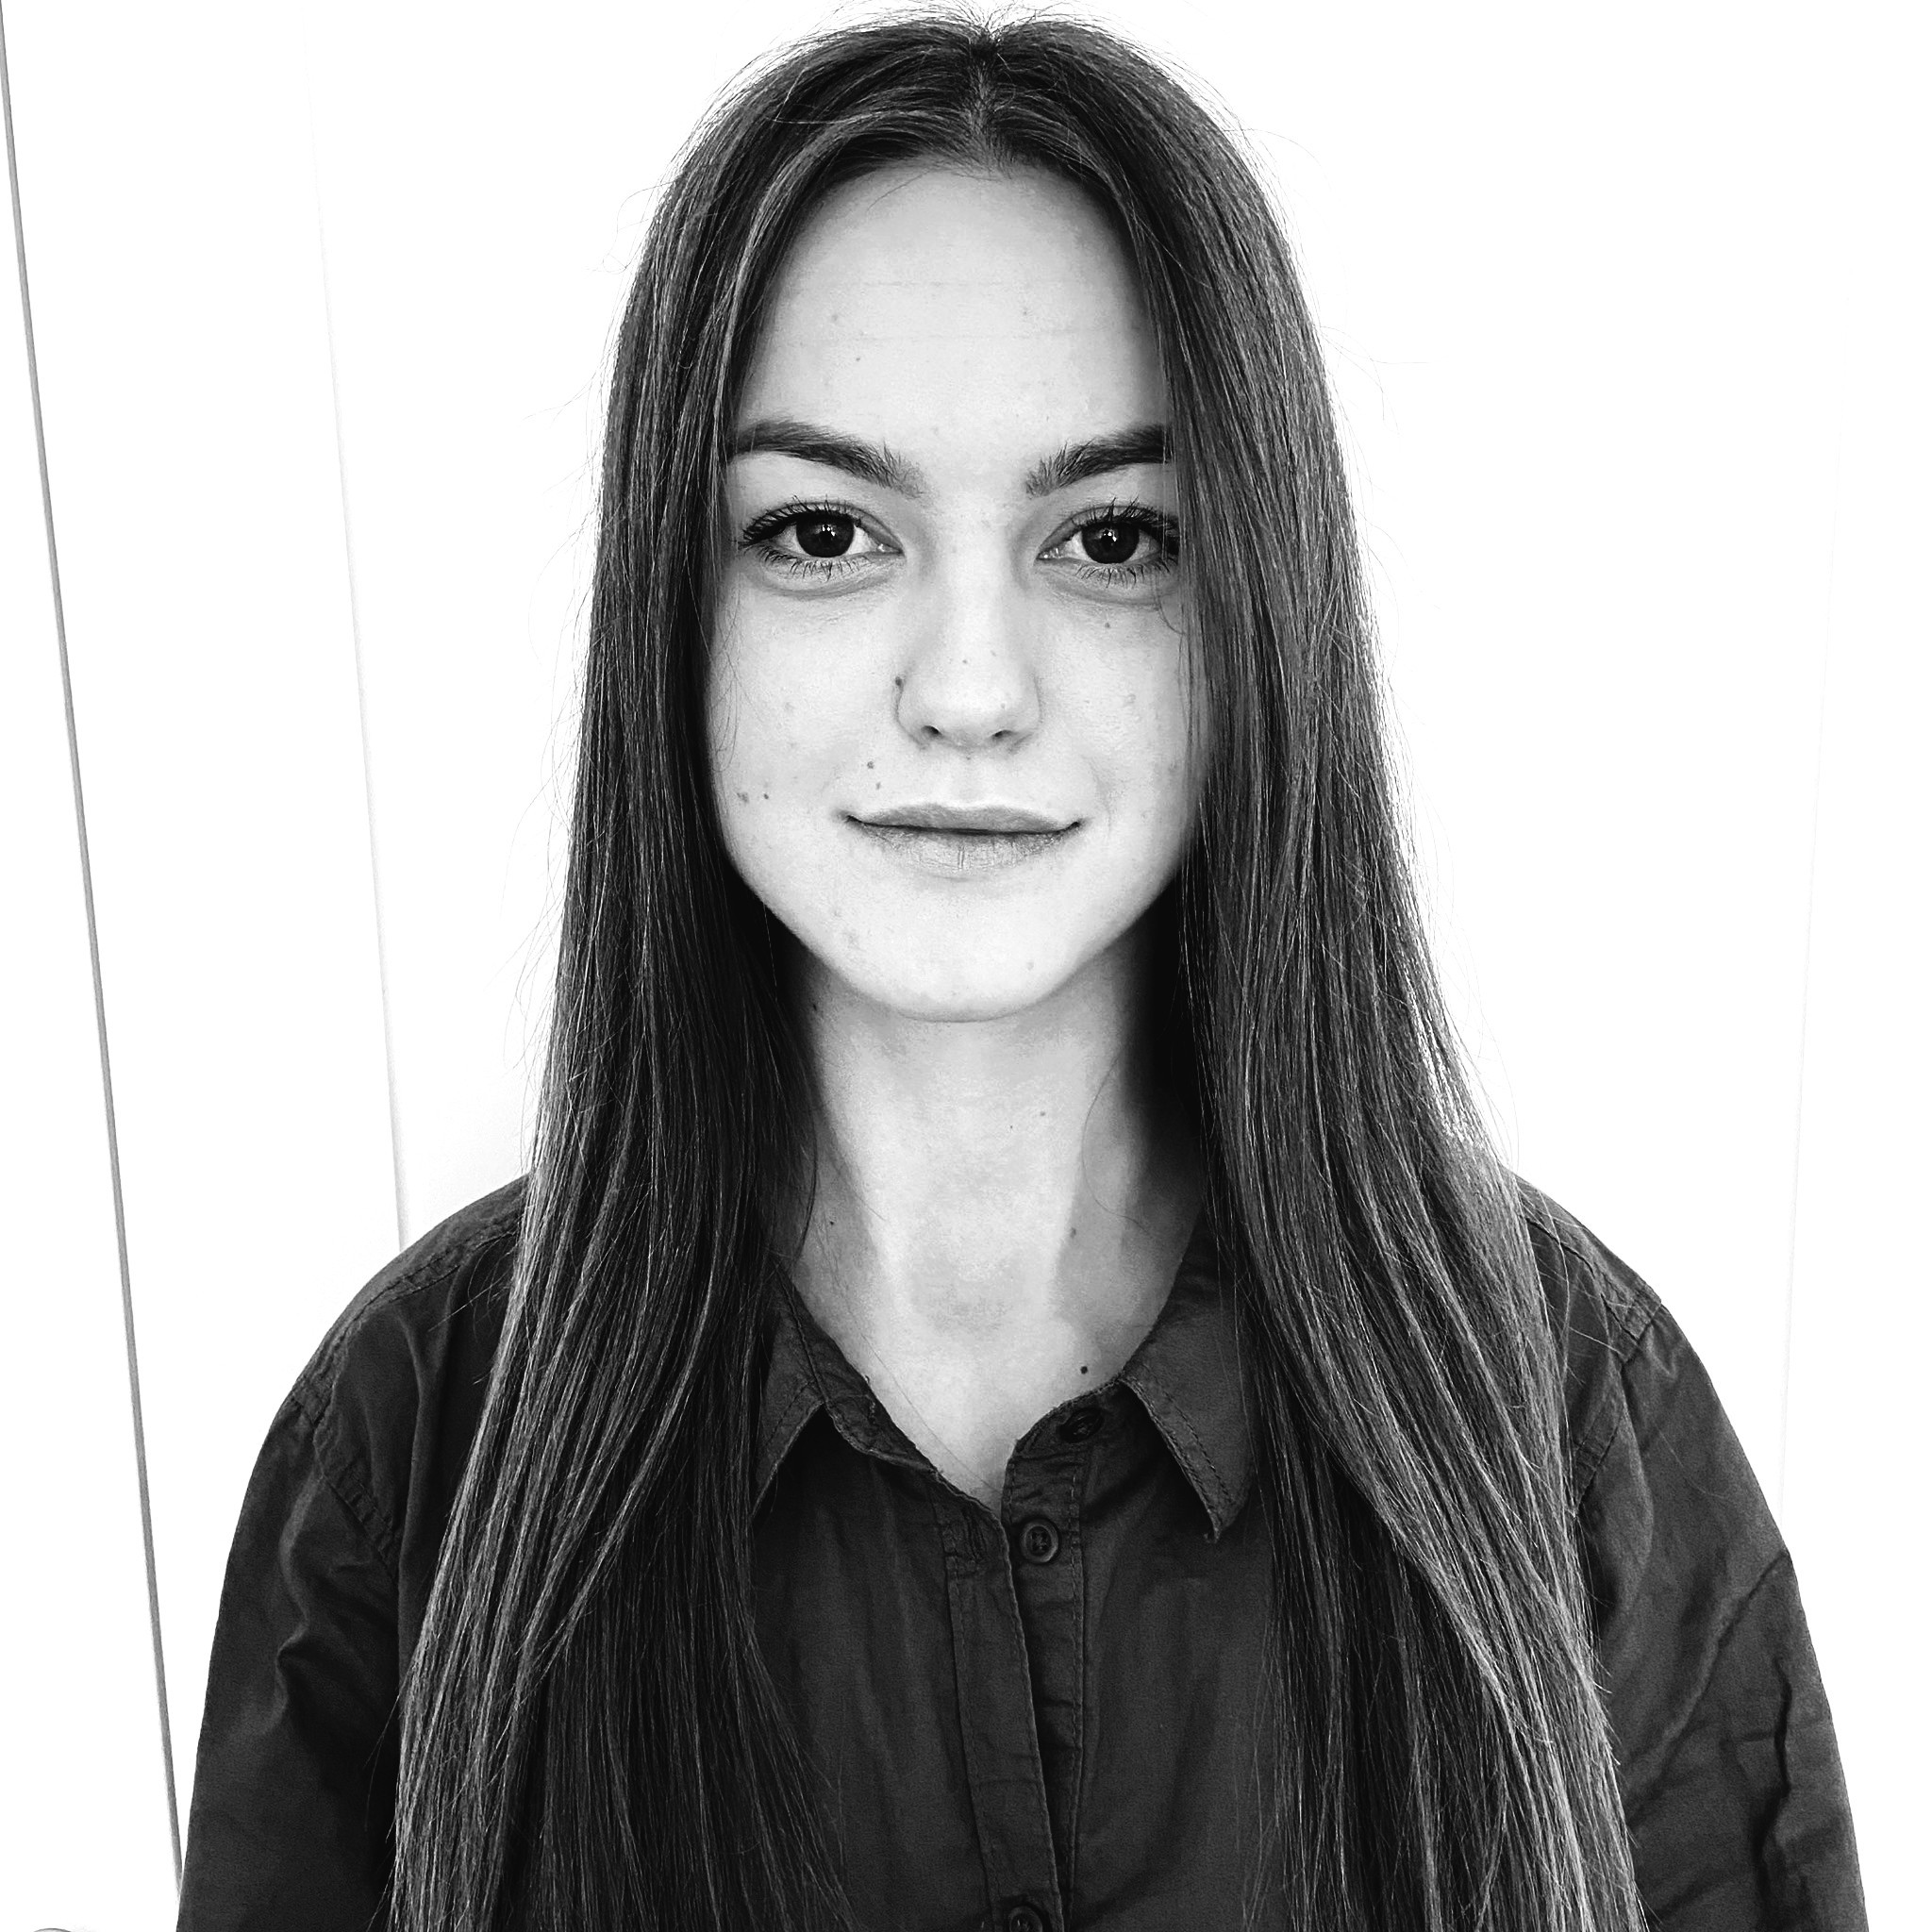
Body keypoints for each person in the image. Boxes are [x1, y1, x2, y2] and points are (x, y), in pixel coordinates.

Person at [174, 12, 1868, 1931]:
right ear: (673, 603)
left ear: (1257, 610)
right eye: (822, 531)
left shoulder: (1567, 1409)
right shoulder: (413, 1441)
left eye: (1114, 537)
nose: (969, 687)